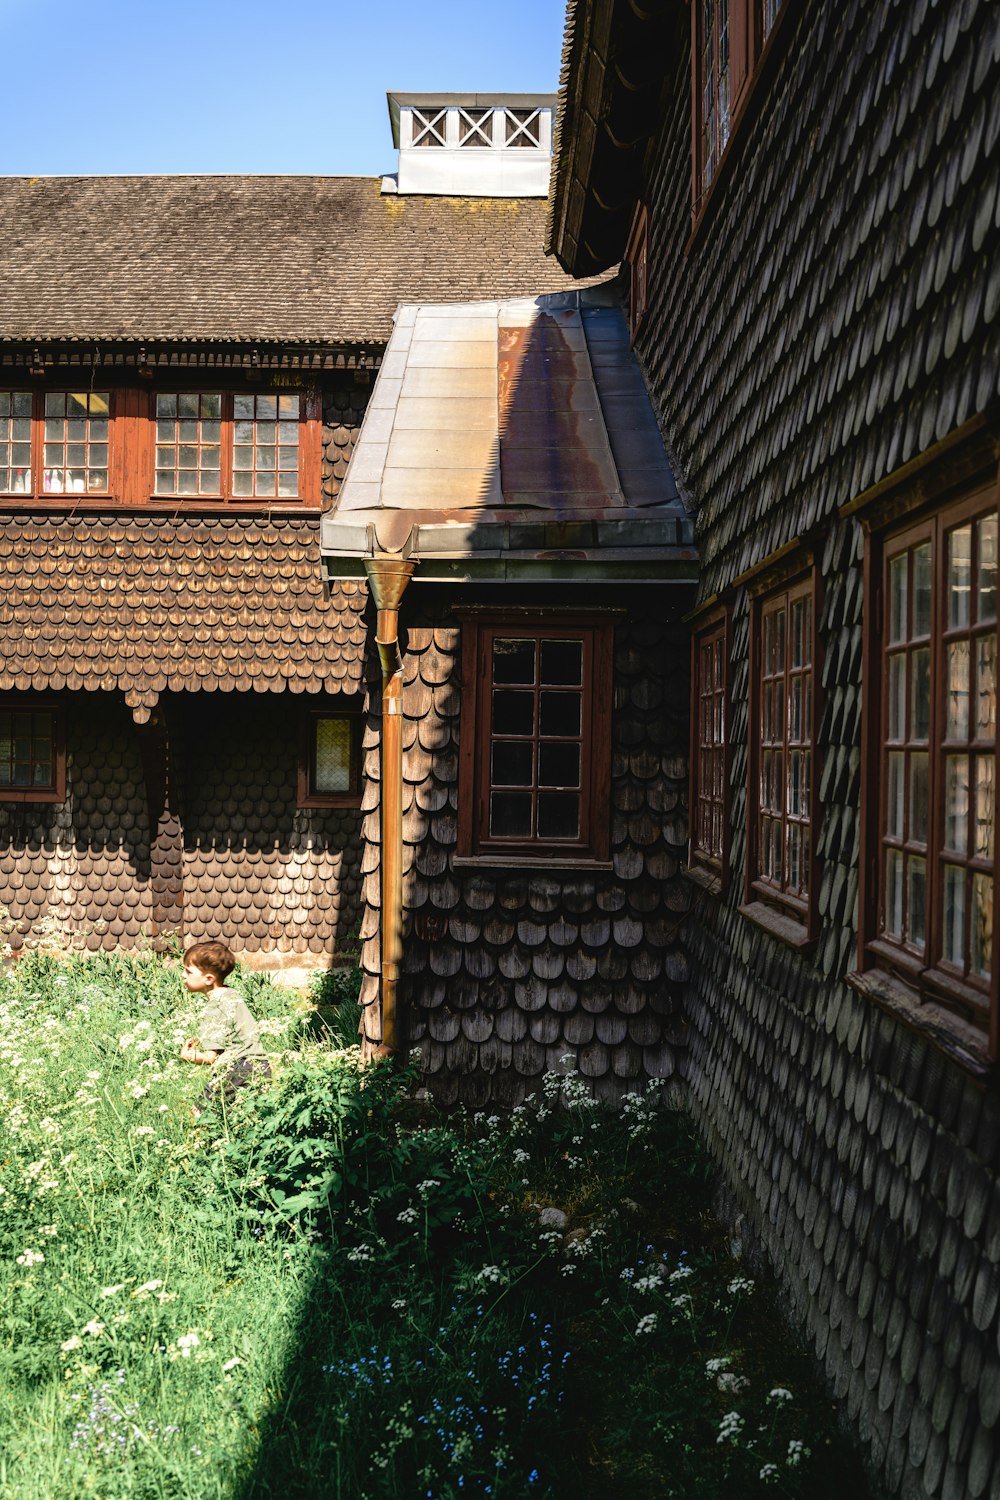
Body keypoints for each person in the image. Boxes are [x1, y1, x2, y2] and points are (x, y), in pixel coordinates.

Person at [179, 941, 271, 1111]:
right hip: (261, 1066)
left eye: (188, 972)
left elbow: (210, 1057)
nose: (183, 975)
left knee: (200, 1110)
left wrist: (189, 1056)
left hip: (239, 1068)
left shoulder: (214, 1008)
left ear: (208, 979)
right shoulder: (232, 995)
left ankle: (204, 1138)